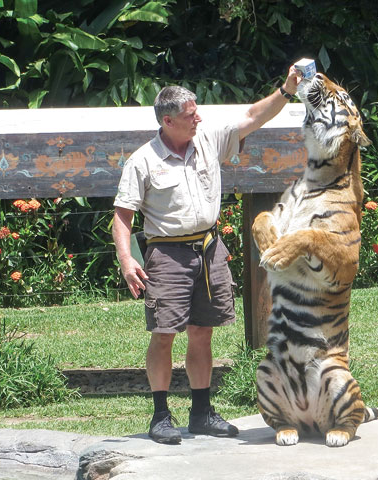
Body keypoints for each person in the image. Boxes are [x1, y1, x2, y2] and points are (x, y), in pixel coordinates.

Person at [112, 66, 302, 444]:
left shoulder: (208, 137)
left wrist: (287, 88)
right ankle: (161, 416)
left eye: (197, 111)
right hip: (166, 253)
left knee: (202, 332)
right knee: (164, 334)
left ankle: (201, 412)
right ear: (167, 121)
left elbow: (252, 117)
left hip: (210, 249)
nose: (199, 117)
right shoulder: (142, 161)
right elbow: (122, 216)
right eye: (189, 115)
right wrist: (127, 259)